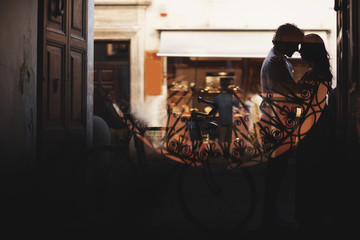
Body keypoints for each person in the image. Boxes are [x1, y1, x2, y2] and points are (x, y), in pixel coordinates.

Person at [260, 23, 304, 230]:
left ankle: (270, 217)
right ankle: (270, 219)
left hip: (277, 122)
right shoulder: (277, 62)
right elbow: (289, 91)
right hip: (277, 124)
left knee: (276, 174)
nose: (297, 48)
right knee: (276, 174)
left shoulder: (278, 60)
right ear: (285, 41)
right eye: (295, 43)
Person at [295, 33, 335, 232]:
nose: (299, 52)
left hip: (312, 128)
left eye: (303, 48)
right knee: (314, 173)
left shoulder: (314, 73)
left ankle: (309, 219)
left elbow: (306, 101)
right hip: (317, 126)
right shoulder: (321, 71)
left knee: (308, 173)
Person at [214, 78, 240, 145]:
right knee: (229, 139)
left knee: (221, 139)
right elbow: (238, 105)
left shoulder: (217, 97)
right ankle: (228, 153)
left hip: (221, 120)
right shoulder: (230, 97)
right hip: (229, 120)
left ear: (221, 88)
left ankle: (221, 153)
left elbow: (214, 108)